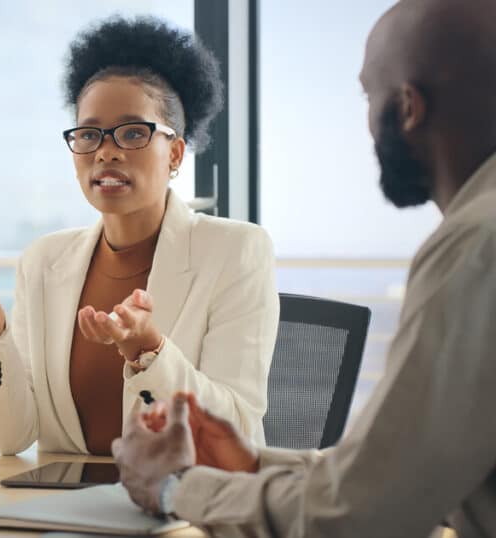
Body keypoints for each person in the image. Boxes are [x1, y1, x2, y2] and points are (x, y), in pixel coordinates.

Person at [111, 0, 496, 536]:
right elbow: (398, 476)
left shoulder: (476, 245)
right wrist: (252, 464)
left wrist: (177, 487)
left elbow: (362, 515)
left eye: (368, 95)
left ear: (409, 108)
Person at [0, 16, 279, 456]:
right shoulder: (44, 260)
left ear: (174, 152)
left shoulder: (236, 252)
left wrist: (149, 352)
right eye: (90, 135)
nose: (106, 152)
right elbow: (12, 436)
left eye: (132, 133)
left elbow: (236, 428)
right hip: (68, 496)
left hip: (187, 494)